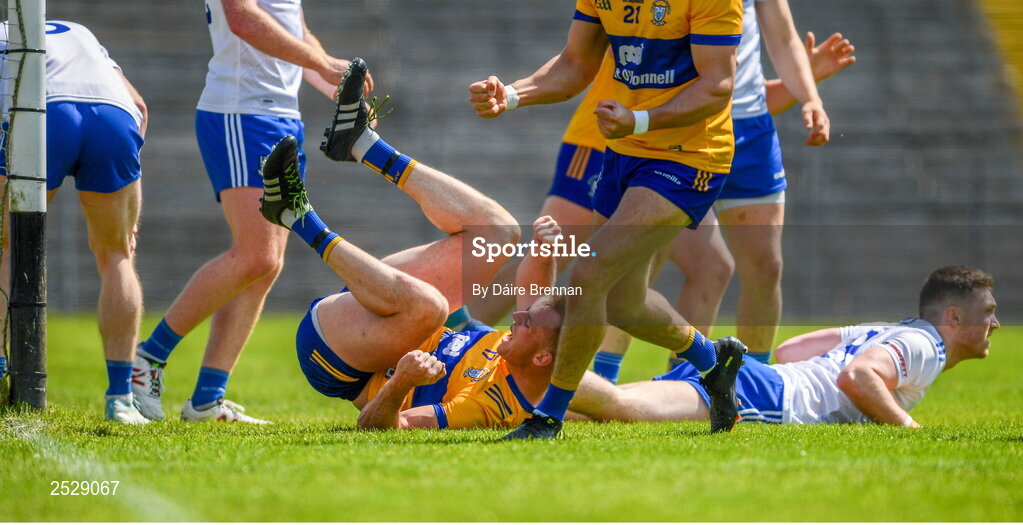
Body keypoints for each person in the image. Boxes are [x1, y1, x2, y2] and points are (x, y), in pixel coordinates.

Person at [469, 3, 856, 383]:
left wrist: (807, 94)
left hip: (705, 138)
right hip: (618, 136)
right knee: (585, 262)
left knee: (689, 269)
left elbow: (738, 75)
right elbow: (579, 64)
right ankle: (468, 344)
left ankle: (708, 384)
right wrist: (515, 93)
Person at [470, 0, 760, 438]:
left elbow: (718, 84)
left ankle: (548, 418)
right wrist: (511, 94)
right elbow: (574, 64)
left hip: (689, 158)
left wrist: (641, 119)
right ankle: (712, 362)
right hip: (623, 152)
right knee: (624, 304)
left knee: (587, 274)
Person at [259, 60, 564, 429]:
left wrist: (403, 380)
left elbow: (381, 426)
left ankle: (297, 216)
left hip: (340, 357)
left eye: (527, 323)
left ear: (542, 359)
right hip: (393, 313)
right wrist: (547, 249)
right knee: (501, 233)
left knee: (432, 306)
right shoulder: (531, 345)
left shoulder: (488, 405)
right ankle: (362, 143)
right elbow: (537, 293)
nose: (517, 317)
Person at [131, 0, 365, 423]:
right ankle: (146, 360)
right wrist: (323, 64)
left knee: (266, 262)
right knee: (256, 254)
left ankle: (206, 399)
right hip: (242, 112)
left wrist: (336, 82)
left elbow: (296, 32)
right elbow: (241, 19)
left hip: (277, 115)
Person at [569, 266, 998, 427]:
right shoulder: (927, 346)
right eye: (988, 312)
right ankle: (511, 374)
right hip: (769, 397)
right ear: (954, 318)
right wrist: (907, 426)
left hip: (761, 380)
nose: (995, 323)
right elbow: (856, 376)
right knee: (620, 407)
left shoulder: (888, 330)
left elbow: (790, 350)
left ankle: (513, 395)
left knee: (611, 410)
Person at [0, 21, 149, 423]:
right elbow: (140, 106)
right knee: (117, 253)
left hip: (47, 112)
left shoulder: (8, 35)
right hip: (116, 116)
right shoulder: (80, 31)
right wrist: (129, 199)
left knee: (6, 245)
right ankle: (121, 398)